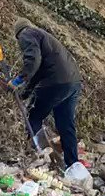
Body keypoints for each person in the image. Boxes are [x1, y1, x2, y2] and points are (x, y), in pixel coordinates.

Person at [14, 19, 82, 167]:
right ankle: (73, 164)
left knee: (34, 116)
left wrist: (19, 79)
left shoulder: (26, 34)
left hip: (56, 81)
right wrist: (25, 92)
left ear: (18, 34)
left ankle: (37, 157)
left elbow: (33, 60)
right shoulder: (44, 38)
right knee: (66, 124)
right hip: (73, 82)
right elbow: (39, 71)